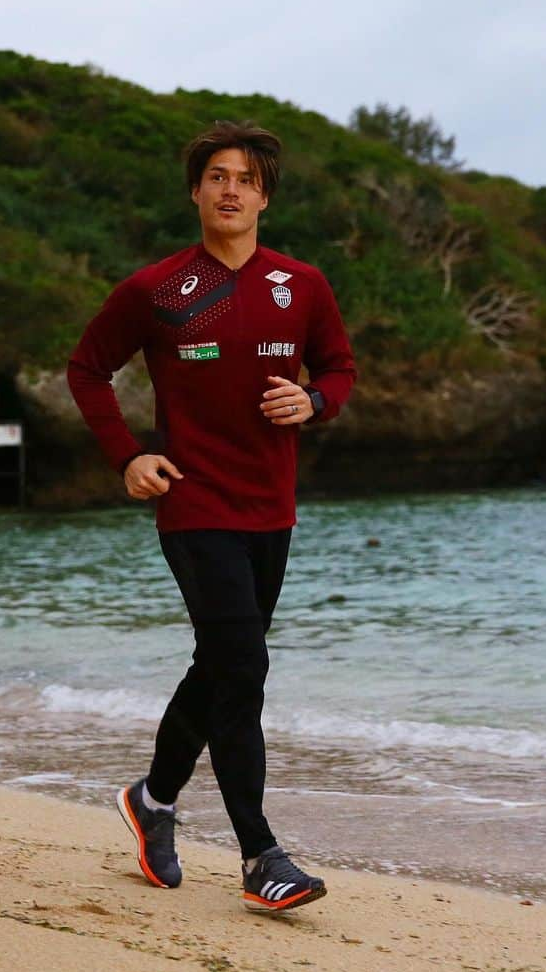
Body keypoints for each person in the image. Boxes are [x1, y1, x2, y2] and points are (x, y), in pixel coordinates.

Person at [67, 121, 356, 912]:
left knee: (224, 662)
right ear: (196, 191)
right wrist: (128, 453)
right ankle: (260, 853)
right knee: (246, 667)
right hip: (192, 501)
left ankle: (153, 801)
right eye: (217, 176)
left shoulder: (302, 285)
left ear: (265, 195)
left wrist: (316, 400)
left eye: (247, 178)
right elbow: (88, 368)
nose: (231, 189)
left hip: (272, 506)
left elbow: (337, 366)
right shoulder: (157, 289)